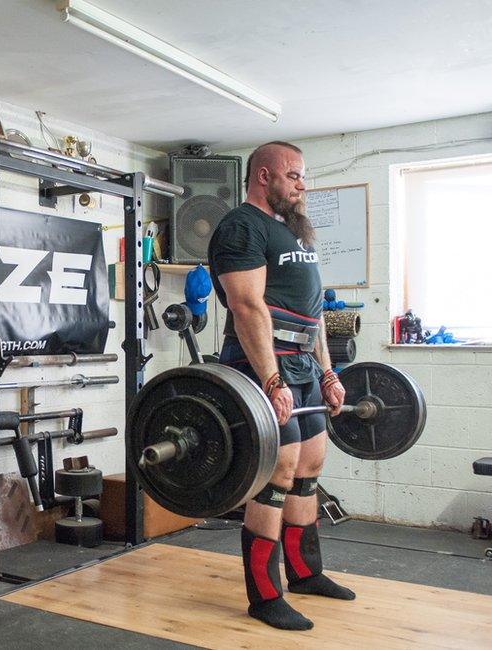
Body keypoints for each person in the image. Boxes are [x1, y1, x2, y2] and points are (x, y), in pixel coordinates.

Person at [207, 141, 355, 631]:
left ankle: (306, 573)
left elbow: (311, 317)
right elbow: (247, 307)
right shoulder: (241, 227)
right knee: (278, 470)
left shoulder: (294, 233)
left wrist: (328, 373)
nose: (302, 184)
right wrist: (270, 379)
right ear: (264, 175)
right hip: (261, 365)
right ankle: (265, 595)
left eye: (304, 176)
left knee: (310, 463)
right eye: (294, 175)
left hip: (304, 366)